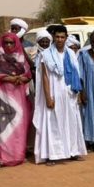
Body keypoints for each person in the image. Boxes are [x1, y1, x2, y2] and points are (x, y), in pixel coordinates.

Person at [33, 25, 87, 165]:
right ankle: (52, 155)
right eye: (57, 37)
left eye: (62, 37)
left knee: (71, 122)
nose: (59, 39)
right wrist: (48, 97)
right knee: (53, 123)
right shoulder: (46, 55)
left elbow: (76, 74)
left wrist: (78, 94)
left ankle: (72, 151)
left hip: (70, 94)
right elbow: (45, 77)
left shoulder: (71, 54)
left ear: (66, 38)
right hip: (54, 94)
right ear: (54, 38)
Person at [0, 33, 33, 167]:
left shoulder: (21, 57)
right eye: (6, 42)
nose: (8, 45)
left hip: (19, 96)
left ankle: (17, 155)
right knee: (2, 124)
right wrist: (9, 78)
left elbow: (28, 74)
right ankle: (1, 156)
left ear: (16, 43)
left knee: (19, 124)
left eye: (11, 42)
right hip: (2, 95)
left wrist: (21, 78)